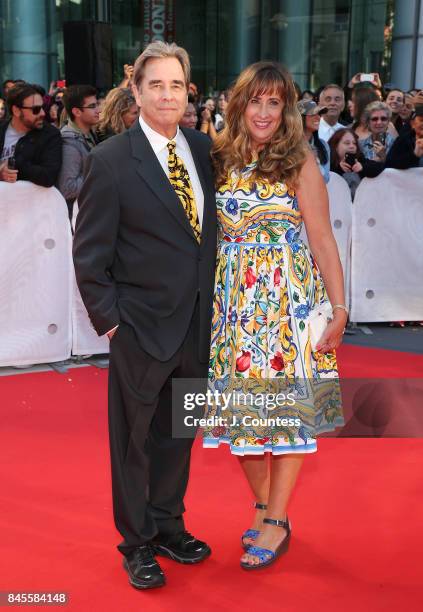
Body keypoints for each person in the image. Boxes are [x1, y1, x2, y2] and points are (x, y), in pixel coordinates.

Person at [73, 41, 217, 590]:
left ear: (188, 92)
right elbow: (89, 253)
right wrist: (110, 322)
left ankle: (168, 526)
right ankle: (135, 543)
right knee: (133, 441)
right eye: (155, 84)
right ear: (135, 91)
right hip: (139, 328)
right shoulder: (110, 160)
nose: (167, 95)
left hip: (197, 327)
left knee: (179, 434)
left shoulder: (205, 151)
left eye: (176, 85)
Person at [203, 61, 346, 570]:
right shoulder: (216, 156)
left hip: (289, 304)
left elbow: (323, 238)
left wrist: (340, 306)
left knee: (286, 418)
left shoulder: (298, 160)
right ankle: (264, 508)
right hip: (234, 306)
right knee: (239, 420)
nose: (263, 112)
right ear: (237, 103)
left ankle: (279, 520)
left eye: (274, 102)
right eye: (255, 100)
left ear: (285, 109)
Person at [0, 82, 61, 186]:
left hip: (34, 201)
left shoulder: (50, 134)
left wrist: (15, 165)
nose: (43, 113)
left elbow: (48, 176)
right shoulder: (2, 130)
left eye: (42, 107)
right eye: (36, 109)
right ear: (16, 111)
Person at [57, 85, 100, 220]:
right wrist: (100, 176)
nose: (98, 110)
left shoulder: (89, 133)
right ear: (77, 112)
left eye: (97, 104)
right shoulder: (69, 143)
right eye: (92, 106)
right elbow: (68, 188)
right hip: (76, 220)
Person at [328, 127, 384, 198]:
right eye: (347, 143)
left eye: (354, 143)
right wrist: (339, 168)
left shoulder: (359, 160)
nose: (352, 146)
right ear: (336, 146)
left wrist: (363, 167)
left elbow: (380, 167)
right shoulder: (327, 163)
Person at [298, 99, 331, 183]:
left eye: (319, 114)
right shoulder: (286, 144)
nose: (318, 118)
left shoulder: (323, 145)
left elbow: (325, 179)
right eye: (313, 114)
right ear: (300, 118)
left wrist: (315, 162)